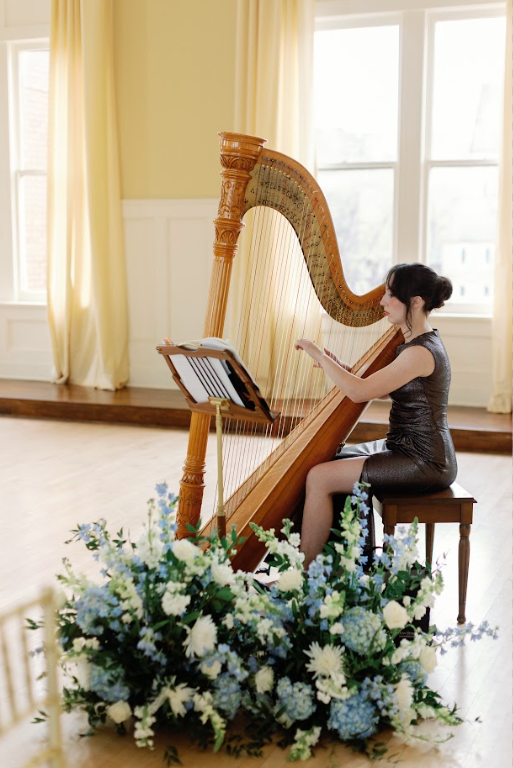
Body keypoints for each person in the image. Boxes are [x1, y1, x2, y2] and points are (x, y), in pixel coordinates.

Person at [294, 262, 457, 568]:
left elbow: (360, 392)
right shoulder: (413, 343)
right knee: (328, 458)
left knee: (319, 477)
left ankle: (306, 575)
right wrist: (335, 362)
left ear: (416, 302)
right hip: (404, 449)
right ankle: (343, 565)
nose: (382, 301)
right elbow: (380, 388)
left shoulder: (419, 352)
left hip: (423, 460)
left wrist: (319, 355)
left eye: (391, 294)